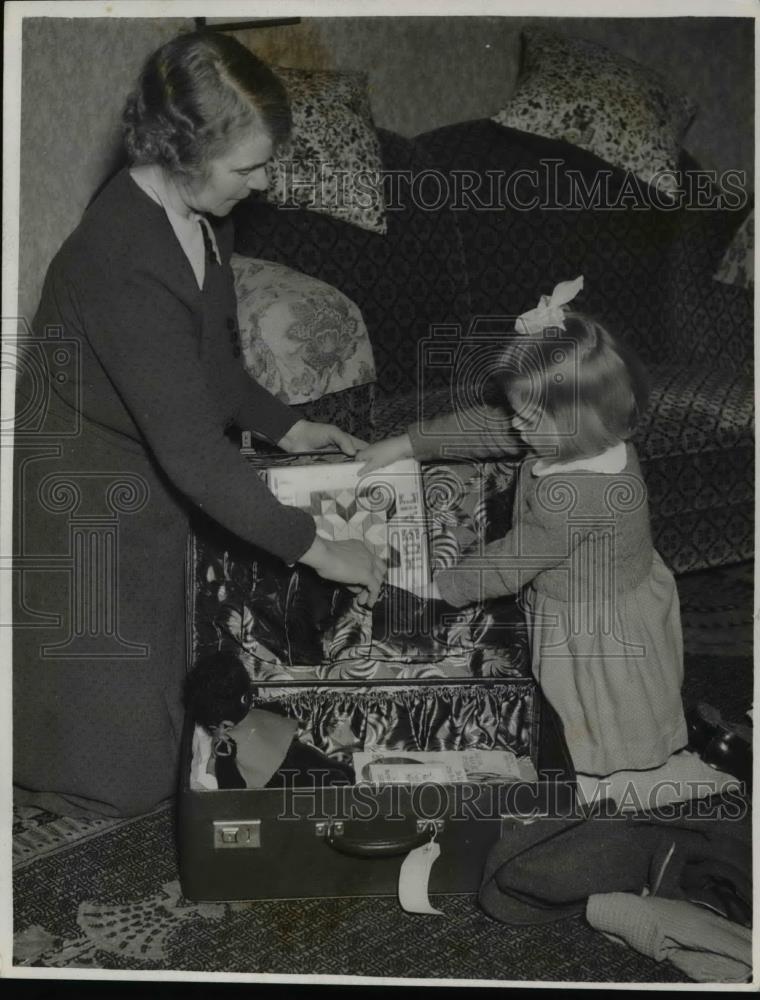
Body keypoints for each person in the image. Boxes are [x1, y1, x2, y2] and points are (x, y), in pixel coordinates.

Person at [13, 30, 385, 817]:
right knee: (120, 771)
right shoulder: (121, 256)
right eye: (247, 167)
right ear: (182, 154)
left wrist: (289, 429)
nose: (263, 182)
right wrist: (323, 551)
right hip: (88, 487)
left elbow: (212, 367)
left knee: (179, 703)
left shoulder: (201, 215)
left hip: (146, 460)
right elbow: (193, 452)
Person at [358, 277, 710, 797]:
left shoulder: (575, 496)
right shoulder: (581, 436)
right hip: (606, 590)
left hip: (593, 619)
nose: (514, 424)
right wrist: (407, 443)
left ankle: (606, 782)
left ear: (568, 423)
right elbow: (489, 426)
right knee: (622, 697)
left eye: (526, 416)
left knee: (602, 705)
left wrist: (436, 586)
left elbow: (511, 562)